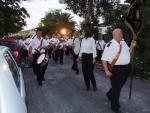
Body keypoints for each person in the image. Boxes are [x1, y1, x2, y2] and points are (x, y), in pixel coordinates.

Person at [101, 28, 136, 113]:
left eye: (121, 33)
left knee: (119, 86)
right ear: (114, 35)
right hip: (116, 70)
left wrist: (131, 46)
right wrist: (106, 71)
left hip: (126, 69)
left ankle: (109, 94)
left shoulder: (123, 42)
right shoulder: (109, 45)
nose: (121, 35)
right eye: (119, 34)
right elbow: (104, 59)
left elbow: (129, 52)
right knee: (117, 89)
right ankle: (115, 106)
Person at [78, 26, 97, 91]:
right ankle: (87, 85)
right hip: (84, 56)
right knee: (84, 71)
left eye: (83, 31)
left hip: (90, 56)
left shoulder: (92, 40)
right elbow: (81, 48)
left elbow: (94, 49)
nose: (82, 32)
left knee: (90, 72)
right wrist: (79, 56)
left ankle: (94, 85)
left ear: (86, 32)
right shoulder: (83, 40)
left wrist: (94, 58)